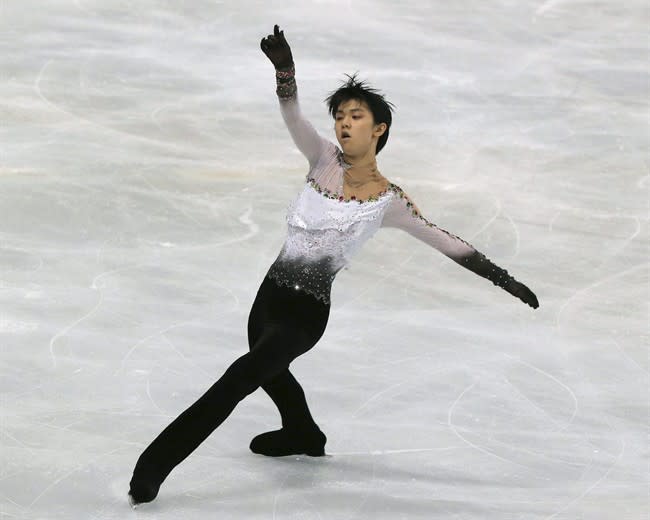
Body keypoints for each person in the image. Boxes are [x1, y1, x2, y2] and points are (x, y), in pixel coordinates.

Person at [127, 24, 539, 507]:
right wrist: (285, 70)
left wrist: (506, 280)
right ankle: (302, 433)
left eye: (355, 116)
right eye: (340, 115)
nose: (344, 123)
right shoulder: (321, 158)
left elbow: (447, 243)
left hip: (304, 315)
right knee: (270, 372)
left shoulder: (389, 201)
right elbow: (292, 114)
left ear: (378, 128)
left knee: (241, 377)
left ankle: (153, 468)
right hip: (267, 298)